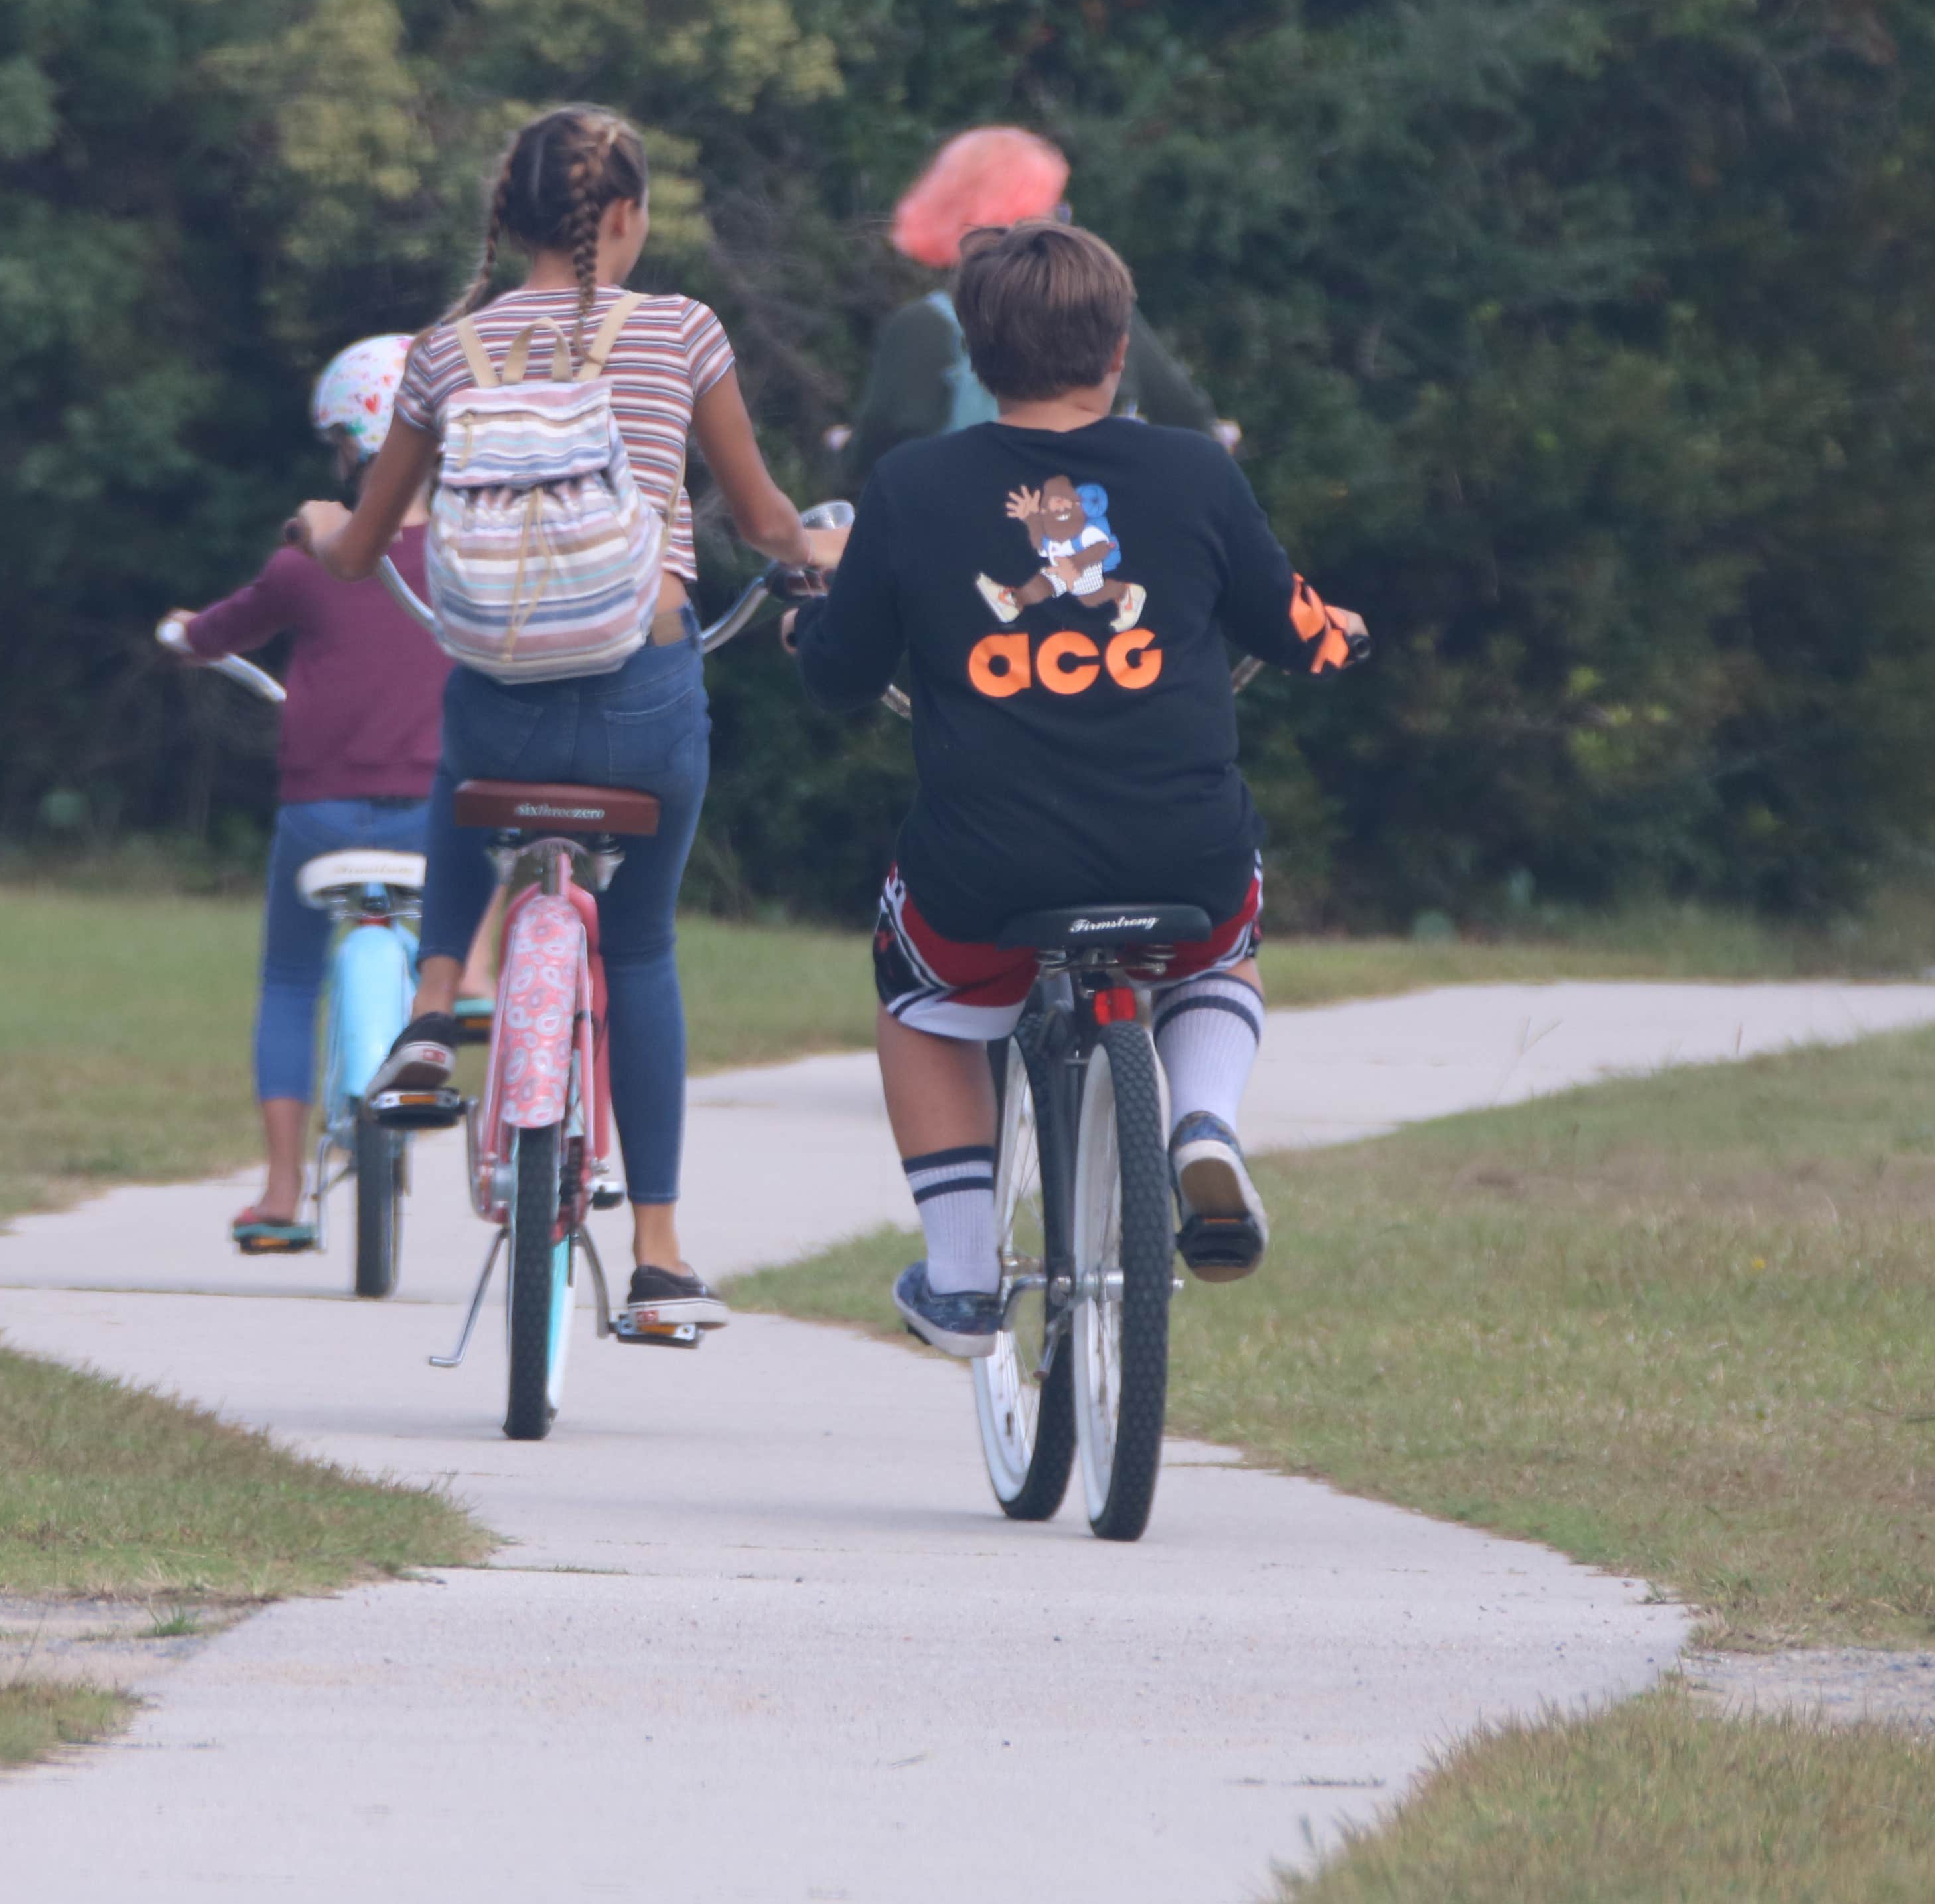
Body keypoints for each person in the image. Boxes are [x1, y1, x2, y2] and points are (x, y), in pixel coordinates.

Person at [298, 105, 841, 1334]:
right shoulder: (681, 332)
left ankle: (436, 1014)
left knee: (460, 763)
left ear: (511, 218)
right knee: (639, 946)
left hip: (504, 712)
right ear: (625, 217)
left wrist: (325, 533)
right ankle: (656, 1251)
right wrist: (824, 547)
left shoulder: (445, 353)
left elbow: (369, 545)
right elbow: (762, 522)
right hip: (645, 701)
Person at [786, 218, 1361, 1356]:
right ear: (1118, 356)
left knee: (917, 993)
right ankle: (1203, 1122)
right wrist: (1337, 636)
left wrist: (811, 631)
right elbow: (1295, 630)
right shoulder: (1196, 471)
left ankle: (958, 1277)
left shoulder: (912, 485)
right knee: (1220, 939)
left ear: (977, 357)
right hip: (1179, 854)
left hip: (985, 878)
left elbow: (843, 678)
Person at [161, 336, 455, 1254]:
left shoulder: (309, 561)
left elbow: (215, 634)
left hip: (320, 817)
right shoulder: (469, 559)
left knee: (290, 979)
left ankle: (283, 1191)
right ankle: (494, 1147)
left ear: (356, 447)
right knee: (465, 948)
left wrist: (182, 633)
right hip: (433, 817)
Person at [831, 127, 1230, 496]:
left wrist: (841, 446)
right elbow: (1186, 416)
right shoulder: (1104, 309)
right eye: (1057, 210)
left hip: (964, 543)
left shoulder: (923, 328)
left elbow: (869, 459)